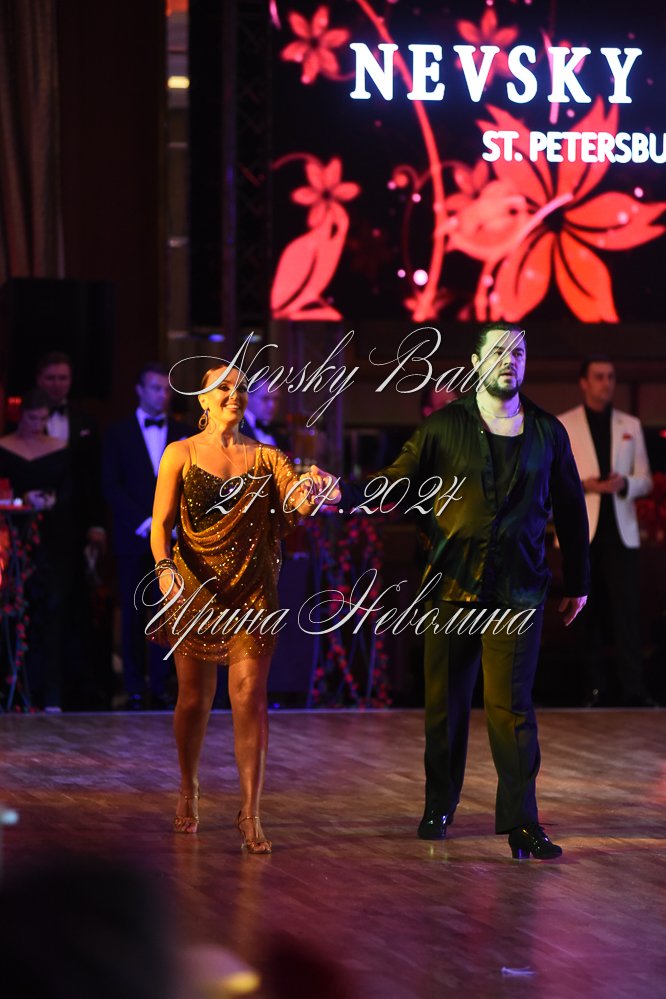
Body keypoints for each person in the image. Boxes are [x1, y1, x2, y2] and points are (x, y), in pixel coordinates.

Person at [316, 324, 589, 859]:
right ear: (475, 362)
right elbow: (395, 482)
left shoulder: (547, 432)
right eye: (498, 351)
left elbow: (572, 509)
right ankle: (439, 806)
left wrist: (577, 581)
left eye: (518, 351)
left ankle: (522, 823)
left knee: (512, 710)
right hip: (449, 589)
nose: (509, 360)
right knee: (445, 705)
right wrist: (342, 492)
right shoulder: (443, 427)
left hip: (518, 592)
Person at [149, 362, 316, 852]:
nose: (234, 395)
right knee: (193, 699)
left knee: (250, 698)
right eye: (223, 388)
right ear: (203, 400)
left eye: (241, 388)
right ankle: (188, 787)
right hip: (194, 587)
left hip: (253, 589)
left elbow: (298, 505)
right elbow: (160, 524)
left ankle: (251, 810)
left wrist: (312, 492)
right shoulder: (179, 453)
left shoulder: (267, 456)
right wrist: (164, 568)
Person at [558, 357, 654, 706]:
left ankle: (633, 689)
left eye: (611, 377)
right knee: (587, 614)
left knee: (626, 613)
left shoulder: (630, 424)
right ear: (584, 382)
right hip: (582, 532)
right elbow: (553, 479)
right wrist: (586, 485)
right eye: (599, 377)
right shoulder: (564, 424)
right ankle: (593, 690)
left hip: (621, 532)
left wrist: (624, 482)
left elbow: (645, 480)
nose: (606, 383)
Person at [103, 362, 191, 710]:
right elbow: (111, 485)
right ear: (140, 390)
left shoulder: (184, 433)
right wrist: (144, 522)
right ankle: (133, 686)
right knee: (131, 609)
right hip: (132, 534)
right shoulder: (118, 433)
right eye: (156, 388)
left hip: (172, 537)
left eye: (167, 389)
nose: (162, 395)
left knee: (167, 610)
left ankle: (161, 684)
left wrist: (170, 523)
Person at [0, 390, 74, 709]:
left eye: (43, 419)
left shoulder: (59, 448)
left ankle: (49, 692)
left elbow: (71, 492)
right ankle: (11, 690)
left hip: (52, 538)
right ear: (21, 416)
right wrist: (23, 499)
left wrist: (53, 500)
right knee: (14, 609)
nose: (38, 425)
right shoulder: (5, 447)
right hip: (13, 538)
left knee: (52, 611)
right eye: (32, 418)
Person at [243, 383, 290, 451]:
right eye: (265, 398)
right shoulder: (234, 428)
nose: (272, 405)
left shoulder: (279, 433)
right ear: (247, 398)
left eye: (276, 399)